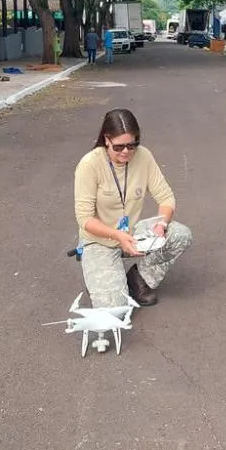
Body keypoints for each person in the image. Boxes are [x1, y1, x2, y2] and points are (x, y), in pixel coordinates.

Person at [74, 109, 192, 308]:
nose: (126, 152)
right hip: (99, 240)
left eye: (132, 145)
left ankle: (139, 280)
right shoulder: (90, 164)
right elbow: (84, 219)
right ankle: (104, 282)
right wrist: (118, 236)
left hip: (131, 234)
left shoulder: (144, 157)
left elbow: (166, 197)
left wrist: (161, 224)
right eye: (119, 146)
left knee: (181, 235)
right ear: (106, 140)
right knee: (114, 307)